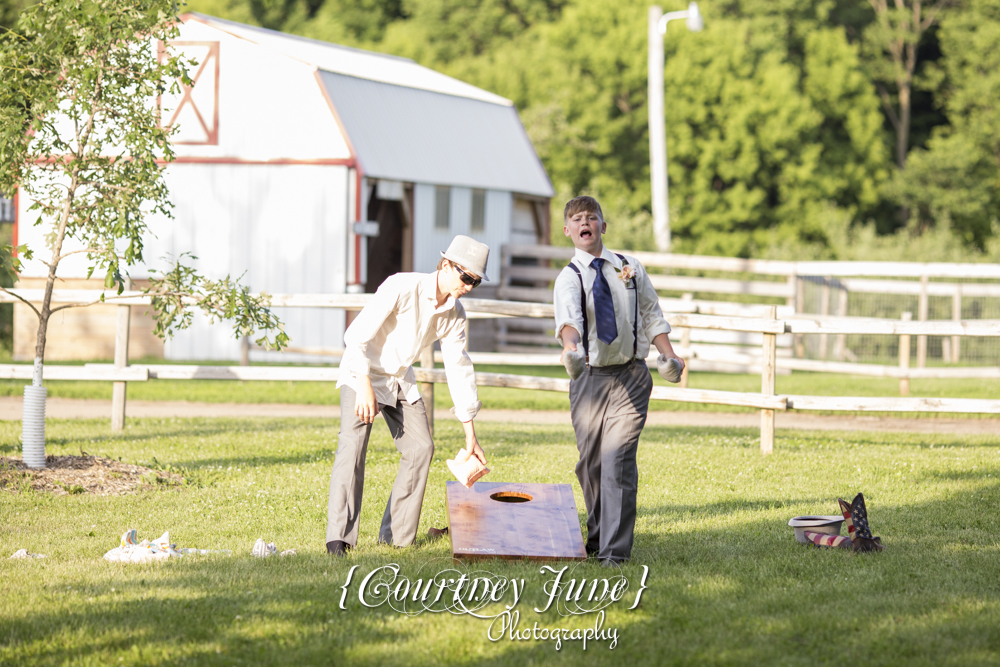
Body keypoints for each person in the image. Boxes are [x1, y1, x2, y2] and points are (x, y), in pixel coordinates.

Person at [326, 235, 490, 556]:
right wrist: (363, 386)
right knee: (353, 446)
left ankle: (396, 539)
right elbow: (356, 336)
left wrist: (470, 434)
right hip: (363, 372)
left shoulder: (454, 314)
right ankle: (339, 540)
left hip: (401, 378)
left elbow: (459, 367)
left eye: (476, 282)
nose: (468, 286)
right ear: (445, 265)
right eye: (466, 277)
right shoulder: (402, 286)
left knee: (421, 448)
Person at [553, 196, 685, 565]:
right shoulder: (569, 276)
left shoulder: (629, 267)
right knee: (590, 464)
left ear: (602, 226)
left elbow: (651, 314)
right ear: (568, 231)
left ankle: (615, 553)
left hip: (631, 376)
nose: (585, 223)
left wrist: (668, 355)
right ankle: (598, 537)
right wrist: (571, 352)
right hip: (588, 379)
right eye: (577, 219)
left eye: (591, 217)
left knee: (617, 460)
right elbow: (569, 321)